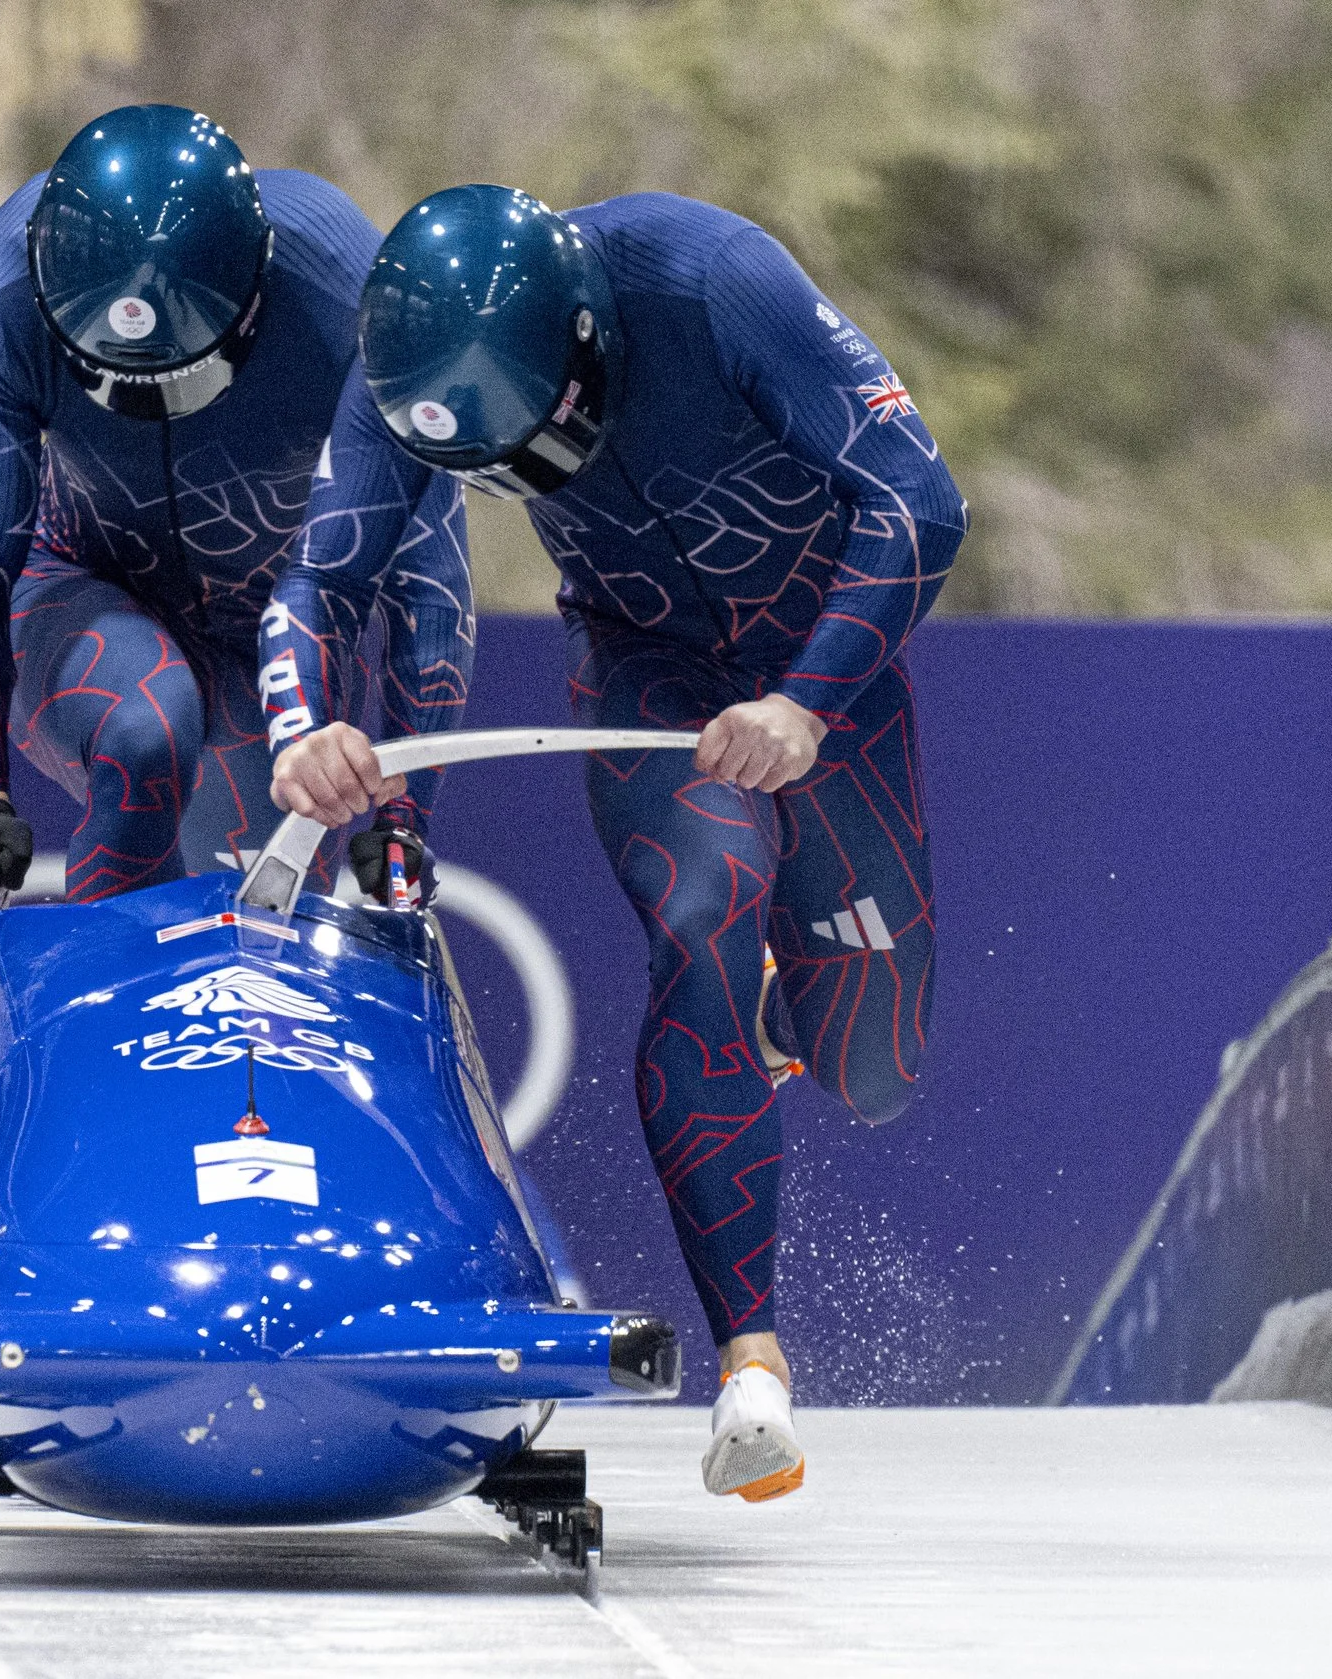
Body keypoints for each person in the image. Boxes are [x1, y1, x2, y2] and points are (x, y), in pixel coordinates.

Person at [270, 185, 968, 1501]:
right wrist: (301, 726)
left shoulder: (712, 281)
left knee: (873, 1066)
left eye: (549, 441)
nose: (532, 476)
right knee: (703, 911)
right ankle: (751, 1363)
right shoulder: (399, 368)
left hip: (820, 667)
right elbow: (319, 579)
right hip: (648, 670)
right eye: (498, 471)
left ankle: (781, 1012)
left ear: (589, 341)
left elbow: (922, 501)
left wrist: (806, 702)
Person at [0, 104, 471, 911]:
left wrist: (404, 819)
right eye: (119, 384)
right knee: (147, 726)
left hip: (283, 614)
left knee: (265, 888)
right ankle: (108, 973)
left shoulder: (354, 297)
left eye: (186, 380)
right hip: (75, 579)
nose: (154, 407)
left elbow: (428, 579)